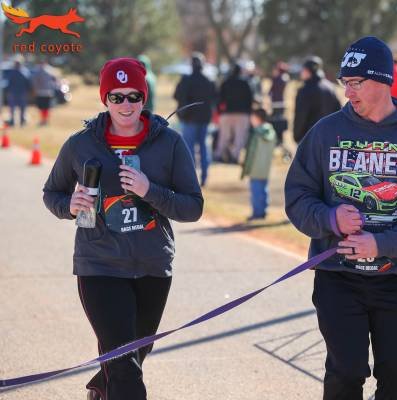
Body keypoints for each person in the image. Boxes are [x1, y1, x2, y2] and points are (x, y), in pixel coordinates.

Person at [285, 36, 397, 400]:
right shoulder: (326, 132)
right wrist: (330, 218)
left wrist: (379, 244)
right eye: (345, 83)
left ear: (383, 81)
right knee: (346, 372)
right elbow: (297, 197)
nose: (348, 92)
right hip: (338, 277)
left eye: (356, 83)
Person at [43, 57, 203, 400]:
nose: (126, 104)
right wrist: (69, 205)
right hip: (99, 265)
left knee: (131, 358)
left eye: (134, 96)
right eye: (117, 97)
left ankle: (101, 388)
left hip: (152, 265)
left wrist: (150, 191)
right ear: (105, 99)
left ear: (145, 98)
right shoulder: (81, 144)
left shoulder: (169, 144)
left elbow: (193, 207)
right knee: (124, 365)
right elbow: (52, 193)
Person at [174, 52, 218, 186]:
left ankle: (191, 177)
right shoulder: (209, 80)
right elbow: (215, 98)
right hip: (204, 119)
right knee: (203, 147)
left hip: (189, 119)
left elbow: (176, 95)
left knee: (189, 149)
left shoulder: (186, 79)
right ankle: (204, 176)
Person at [292, 56, 341, 143]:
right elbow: (338, 112)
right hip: (329, 137)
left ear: (307, 71)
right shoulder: (330, 87)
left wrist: (296, 136)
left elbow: (300, 116)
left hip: (309, 138)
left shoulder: (304, 90)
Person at [241, 108, 277, 220]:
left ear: (257, 119)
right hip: (265, 167)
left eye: (252, 118)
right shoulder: (271, 132)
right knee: (263, 190)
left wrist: (246, 166)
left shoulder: (256, 134)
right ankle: (263, 211)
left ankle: (257, 213)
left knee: (256, 192)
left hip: (255, 168)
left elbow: (251, 153)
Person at [215, 63, 253, 163]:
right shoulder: (245, 83)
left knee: (224, 136)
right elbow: (250, 100)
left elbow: (219, 99)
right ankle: (234, 157)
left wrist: (219, 112)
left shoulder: (225, 82)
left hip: (226, 113)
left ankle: (219, 155)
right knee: (240, 137)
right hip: (242, 114)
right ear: (240, 72)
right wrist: (249, 113)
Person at [5, 56, 31, 127]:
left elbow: (28, 82)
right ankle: (15, 121)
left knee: (20, 107)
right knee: (14, 108)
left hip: (19, 92)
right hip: (16, 92)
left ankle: (19, 121)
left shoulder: (20, 72)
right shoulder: (20, 72)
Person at [31, 60, 58, 126]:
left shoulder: (37, 71)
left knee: (42, 108)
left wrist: (34, 91)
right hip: (48, 92)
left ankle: (43, 120)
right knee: (46, 108)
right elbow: (55, 81)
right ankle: (45, 120)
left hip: (41, 92)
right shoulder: (50, 71)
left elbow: (34, 82)